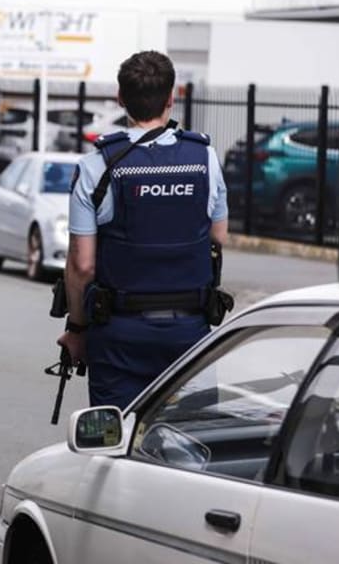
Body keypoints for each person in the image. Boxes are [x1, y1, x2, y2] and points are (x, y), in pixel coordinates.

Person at [58, 50, 228, 409]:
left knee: (114, 441)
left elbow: (82, 266)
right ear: (172, 97)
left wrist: (76, 330)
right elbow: (218, 236)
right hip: (189, 332)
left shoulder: (96, 166)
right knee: (192, 444)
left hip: (119, 335)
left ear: (121, 99)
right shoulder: (205, 158)